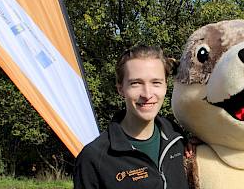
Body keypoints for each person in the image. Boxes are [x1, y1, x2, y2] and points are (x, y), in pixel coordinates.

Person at [74, 45, 188, 189]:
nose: (147, 94)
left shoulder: (177, 138)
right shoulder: (94, 158)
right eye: (136, 83)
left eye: (156, 83)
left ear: (166, 85)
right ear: (120, 88)